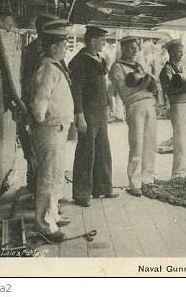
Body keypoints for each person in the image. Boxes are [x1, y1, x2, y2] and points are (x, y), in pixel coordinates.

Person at [29, 19, 74, 242]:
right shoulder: (47, 68)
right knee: (47, 177)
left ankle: (52, 214)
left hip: (58, 128)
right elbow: (40, 101)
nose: (66, 48)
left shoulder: (55, 66)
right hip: (49, 129)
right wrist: (41, 120)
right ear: (53, 47)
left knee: (56, 175)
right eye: (64, 45)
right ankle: (45, 225)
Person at [69, 25, 118, 207]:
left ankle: (103, 188)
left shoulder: (99, 58)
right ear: (91, 41)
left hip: (100, 111)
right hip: (88, 112)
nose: (104, 44)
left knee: (102, 150)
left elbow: (102, 85)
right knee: (86, 152)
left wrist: (108, 105)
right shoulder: (80, 61)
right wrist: (79, 114)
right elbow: (76, 90)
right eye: (101, 40)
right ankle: (82, 194)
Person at [109, 36, 158, 197]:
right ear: (122, 48)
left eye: (136, 47)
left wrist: (149, 82)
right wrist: (146, 83)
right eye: (131, 47)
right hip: (134, 105)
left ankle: (148, 178)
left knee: (150, 144)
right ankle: (134, 182)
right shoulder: (117, 68)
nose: (134, 50)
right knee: (137, 144)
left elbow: (152, 85)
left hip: (149, 103)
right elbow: (125, 91)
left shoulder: (138, 65)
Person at [19, 13, 58, 195]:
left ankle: (36, 190)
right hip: (33, 104)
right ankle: (36, 192)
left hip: (32, 103)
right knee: (35, 153)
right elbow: (31, 80)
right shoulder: (38, 50)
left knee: (36, 152)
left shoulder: (35, 48)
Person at [159, 39, 186, 178]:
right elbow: (171, 89)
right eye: (178, 51)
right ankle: (179, 172)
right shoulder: (167, 69)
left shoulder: (182, 67)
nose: (181, 54)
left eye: (182, 51)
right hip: (178, 105)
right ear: (170, 52)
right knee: (180, 138)